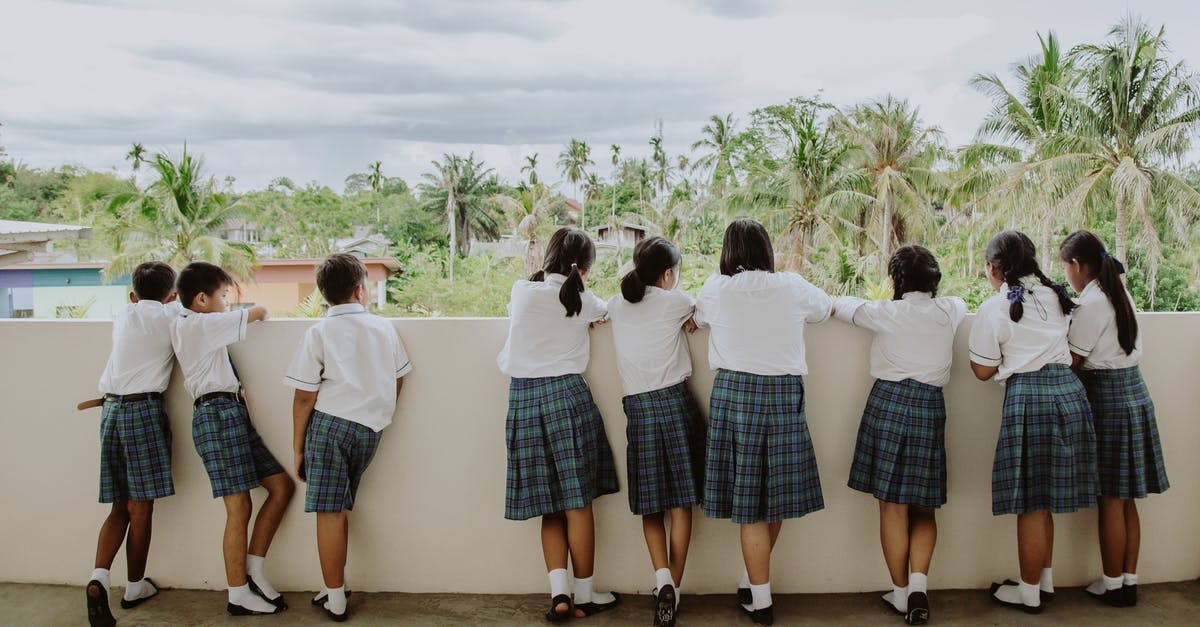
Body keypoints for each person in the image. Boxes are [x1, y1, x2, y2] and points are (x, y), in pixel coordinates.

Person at [695, 219, 832, 626]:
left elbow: (697, 319)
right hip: (783, 394)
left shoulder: (716, 289)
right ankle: (760, 597)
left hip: (734, 395)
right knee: (776, 494)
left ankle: (753, 587)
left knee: (751, 501)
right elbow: (825, 309)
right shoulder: (791, 286)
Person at [833, 245, 966, 625]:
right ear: (934, 279)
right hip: (929, 407)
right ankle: (920, 587)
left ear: (896, 280)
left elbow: (839, 306)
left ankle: (902, 593)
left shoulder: (886, 313)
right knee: (924, 506)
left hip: (889, 404)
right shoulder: (952, 309)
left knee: (892, 506)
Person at [968, 231, 1097, 614]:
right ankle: (1044, 581)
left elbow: (981, 370)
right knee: (1045, 501)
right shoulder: (1055, 296)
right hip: (1069, 394)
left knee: (1030, 501)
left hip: (1031, 400)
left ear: (993, 268)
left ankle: (1027, 593)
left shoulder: (995, 308)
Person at [497, 228, 621, 621]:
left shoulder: (522, 292)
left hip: (524, 401)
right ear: (585, 269)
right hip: (567, 398)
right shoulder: (587, 301)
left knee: (548, 505)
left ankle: (559, 596)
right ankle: (585, 595)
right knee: (577, 503)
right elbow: (604, 312)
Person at [172, 261, 295, 616]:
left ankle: (253, 569)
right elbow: (260, 311)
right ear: (200, 300)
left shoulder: (187, 320)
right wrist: (243, 310)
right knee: (239, 507)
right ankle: (237, 592)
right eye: (223, 296)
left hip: (231, 413)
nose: (227, 303)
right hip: (216, 416)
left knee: (281, 487)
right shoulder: (201, 324)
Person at [1059, 230, 1169, 607]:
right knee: (1126, 498)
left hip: (1108, 398)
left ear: (1076, 265)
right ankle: (1128, 581)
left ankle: (1111, 584)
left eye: (1067, 268)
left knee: (1110, 498)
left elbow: (1072, 359)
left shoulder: (1091, 304)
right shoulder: (1119, 293)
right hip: (1134, 393)